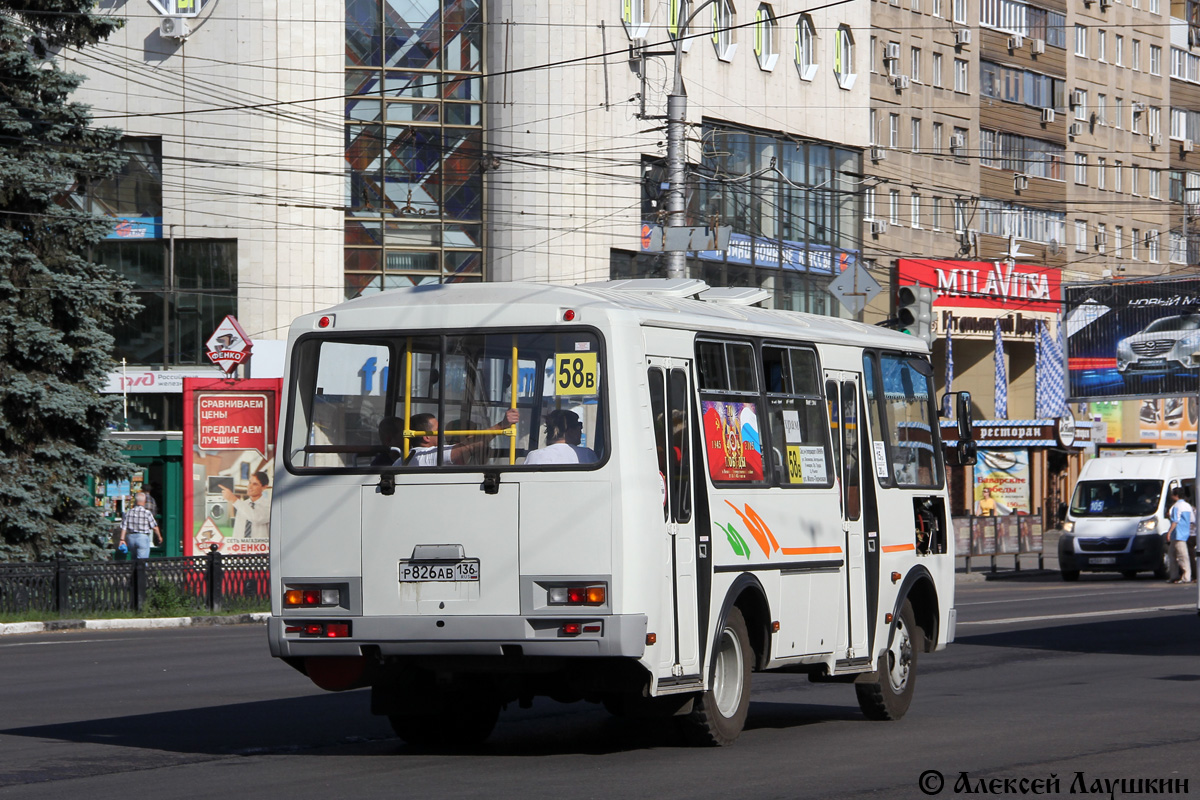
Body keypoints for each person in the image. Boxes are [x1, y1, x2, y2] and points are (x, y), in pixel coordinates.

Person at [400, 408, 521, 466]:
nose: (442, 433)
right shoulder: (427, 456)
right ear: (426, 437)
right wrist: (502, 425)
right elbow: (470, 445)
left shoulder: (403, 459)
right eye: (437, 430)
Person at [524, 409, 598, 465]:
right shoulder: (587, 455)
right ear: (571, 431)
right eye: (579, 426)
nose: (581, 431)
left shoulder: (534, 456)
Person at [222, 471, 271, 539]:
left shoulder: (270, 506)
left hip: (260, 547)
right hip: (242, 547)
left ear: (264, 487)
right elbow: (238, 530)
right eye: (249, 483)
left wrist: (234, 499)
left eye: (255, 484)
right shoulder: (243, 505)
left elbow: (256, 518)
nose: (250, 487)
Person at [119, 492, 162, 558]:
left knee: (134, 560)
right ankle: (141, 568)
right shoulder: (147, 513)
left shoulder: (129, 512)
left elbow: (124, 527)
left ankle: (135, 568)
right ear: (144, 501)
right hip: (142, 537)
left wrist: (122, 539)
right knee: (142, 561)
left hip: (131, 538)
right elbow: (154, 527)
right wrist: (159, 537)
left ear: (135, 501)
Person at [1166, 486, 1193, 584]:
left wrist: (1169, 532)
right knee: (1173, 554)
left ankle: (1186, 577)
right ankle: (1174, 576)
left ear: (1175, 495)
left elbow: (1175, 520)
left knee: (1182, 556)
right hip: (1184, 533)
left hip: (1177, 534)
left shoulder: (1176, 506)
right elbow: (1192, 519)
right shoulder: (1187, 506)